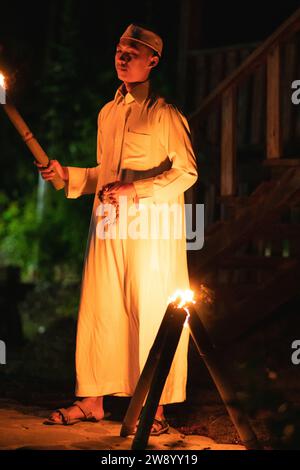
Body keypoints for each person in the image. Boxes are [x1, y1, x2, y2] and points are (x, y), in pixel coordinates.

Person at [36, 23, 198, 435]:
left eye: (131, 52)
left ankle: (154, 407)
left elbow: (186, 173)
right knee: (102, 306)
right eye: (119, 50)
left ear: (152, 60)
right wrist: (66, 174)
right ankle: (92, 399)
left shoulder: (165, 113)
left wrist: (136, 189)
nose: (122, 57)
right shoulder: (107, 113)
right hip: (107, 224)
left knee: (149, 307)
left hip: (152, 229)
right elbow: (105, 174)